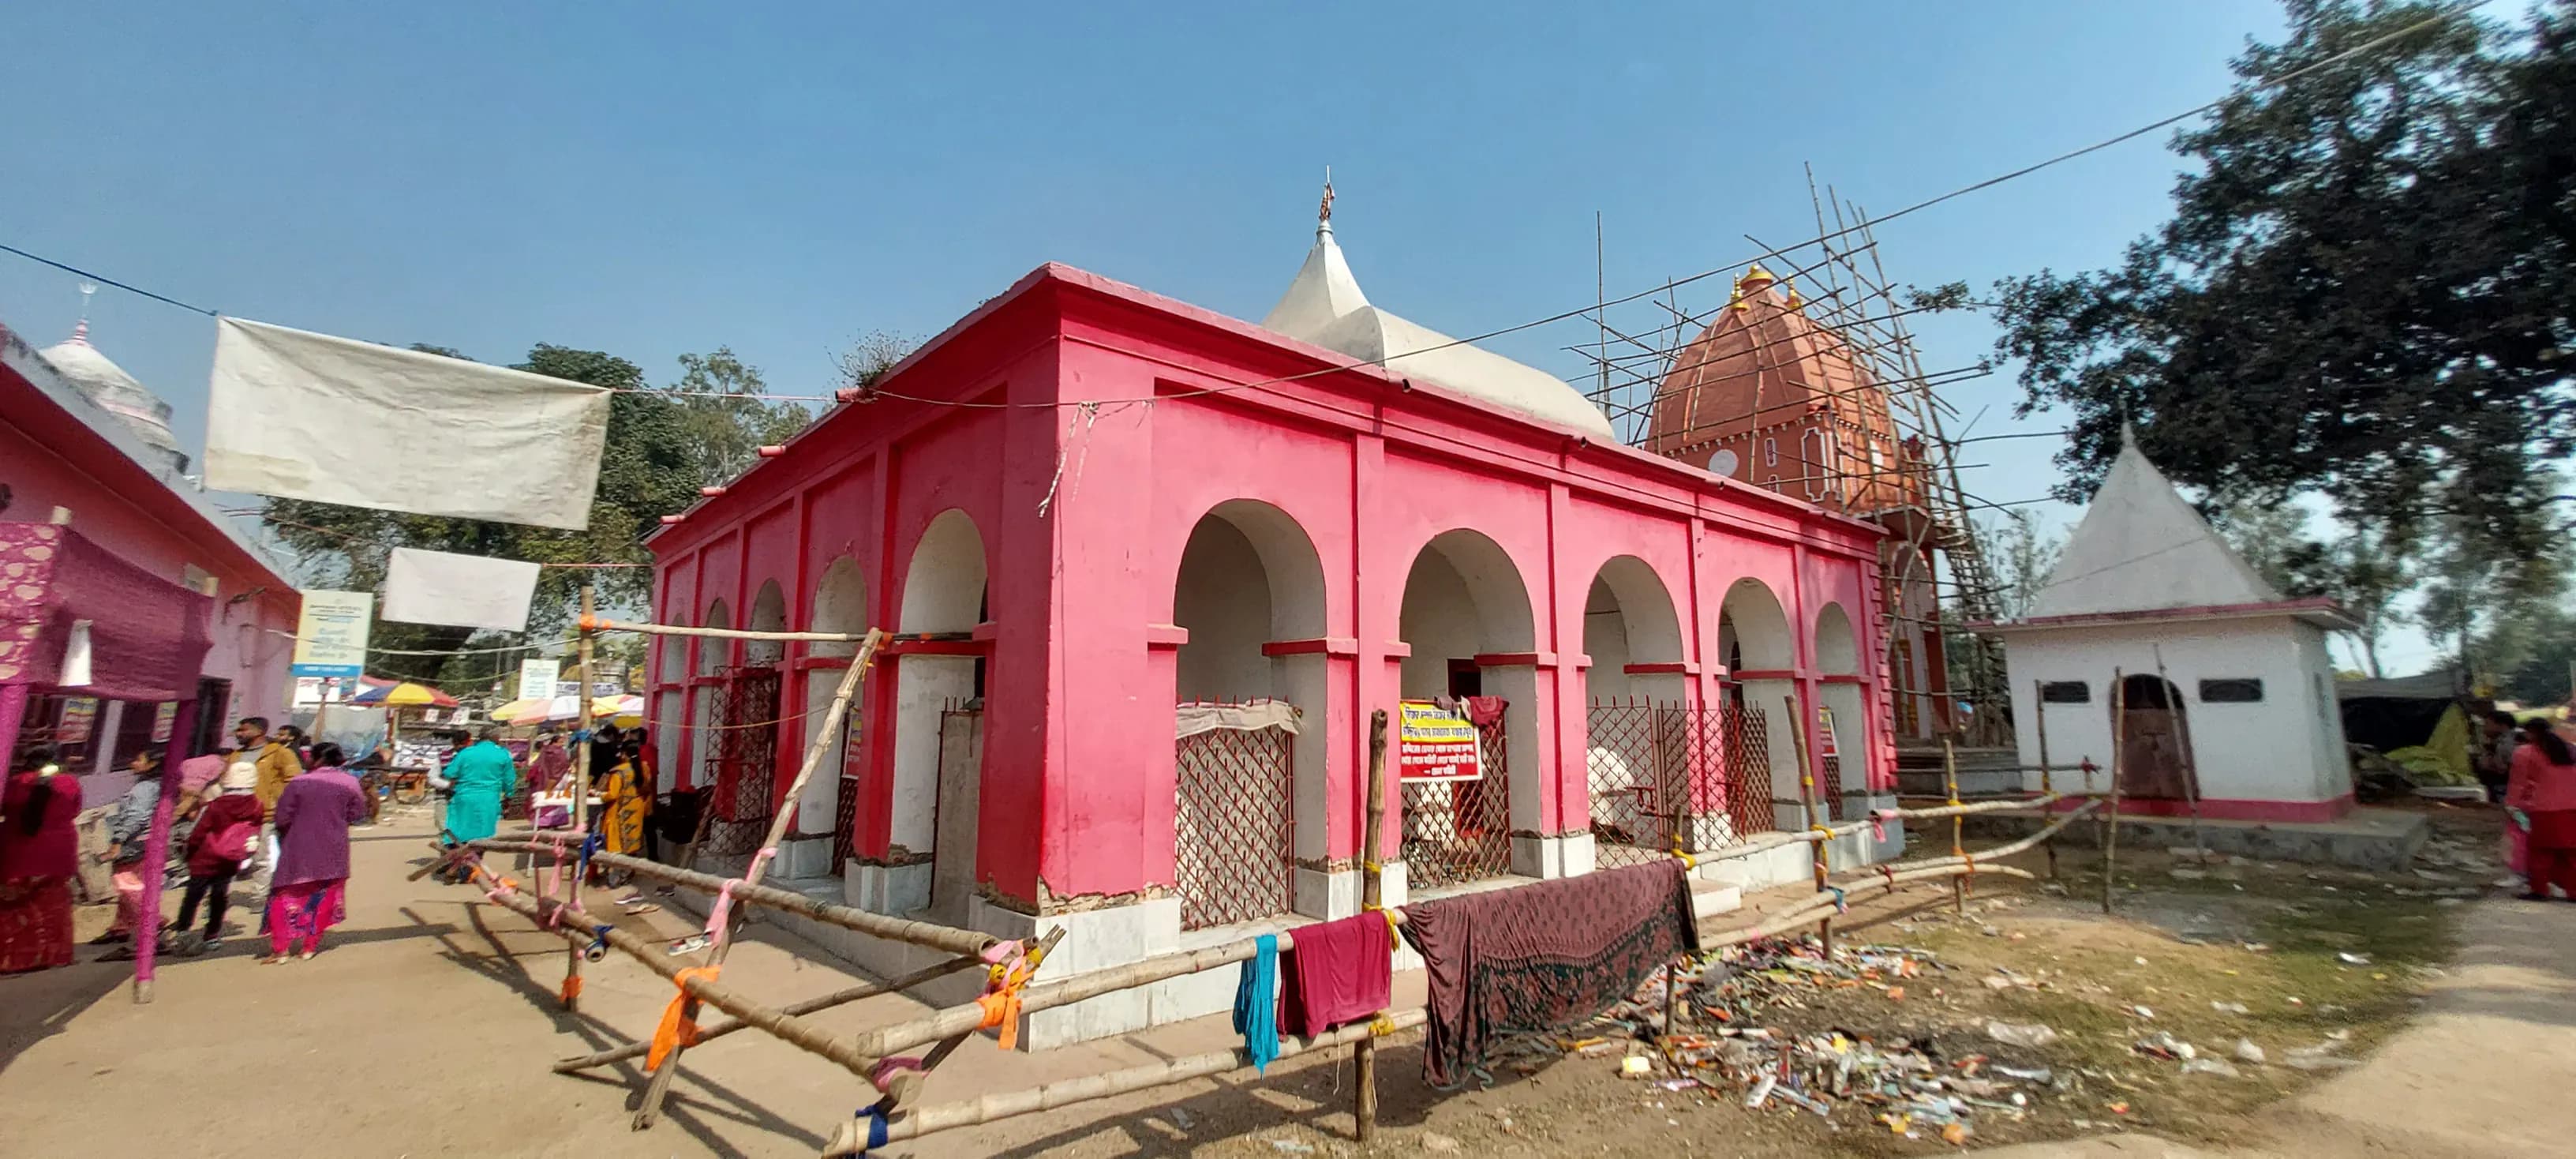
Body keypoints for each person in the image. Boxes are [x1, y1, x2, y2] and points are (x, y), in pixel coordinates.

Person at [261, 743, 368, 963]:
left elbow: (283, 817)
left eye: (310, 756)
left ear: (318, 759)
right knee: (324, 897)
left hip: (298, 846)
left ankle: (281, 950)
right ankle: (309, 948)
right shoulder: (350, 782)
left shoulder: (299, 782)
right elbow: (357, 812)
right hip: (334, 847)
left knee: (284, 894)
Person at [0, 746, 82, 973]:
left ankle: (17, 960)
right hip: (59, 853)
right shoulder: (69, 783)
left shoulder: (16, 784)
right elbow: (75, 810)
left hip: (20, 853)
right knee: (54, 907)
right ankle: (55, 956)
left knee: (15, 908)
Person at [175, 758, 265, 953]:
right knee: (219, 896)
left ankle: (183, 931)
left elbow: (199, 832)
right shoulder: (258, 805)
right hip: (230, 859)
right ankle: (212, 936)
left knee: (193, 896)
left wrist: (189, 853)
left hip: (204, 857)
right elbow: (255, 831)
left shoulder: (216, 805)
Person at [92, 749, 164, 948]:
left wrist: (118, 840)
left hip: (132, 842)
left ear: (152, 764)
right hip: (146, 841)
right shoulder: (157, 785)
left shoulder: (145, 788)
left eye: (139, 759)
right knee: (131, 883)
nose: (133, 763)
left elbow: (137, 817)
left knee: (127, 885)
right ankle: (121, 927)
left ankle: (154, 924)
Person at [2507, 718, 2576, 900]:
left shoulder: (2525, 752)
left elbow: (2518, 783)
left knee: (2540, 852)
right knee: (2571, 853)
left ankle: (2539, 890)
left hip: (2544, 808)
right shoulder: (2568, 750)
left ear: (2529, 733)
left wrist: (2511, 805)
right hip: (2572, 807)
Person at [440, 727, 519, 850]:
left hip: (464, 797)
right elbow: (509, 780)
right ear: (496, 738)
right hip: (489, 799)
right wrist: (508, 797)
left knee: (458, 831)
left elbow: (449, 773)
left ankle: (455, 855)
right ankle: (475, 858)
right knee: (482, 835)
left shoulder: (466, 753)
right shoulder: (503, 754)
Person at [595, 740, 650, 865]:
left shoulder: (618, 772)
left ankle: (619, 869)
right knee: (633, 843)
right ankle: (630, 869)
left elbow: (613, 795)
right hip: (637, 808)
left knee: (618, 844)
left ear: (624, 754)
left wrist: (600, 795)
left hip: (620, 810)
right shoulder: (644, 768)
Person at [2478, 710, 2520, 802]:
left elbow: (2507, 768)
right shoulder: (2496, 742)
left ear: (2502, 726)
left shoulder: (2508, 743)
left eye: (2487, 724)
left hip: (2504, 788)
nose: (2484, 728)